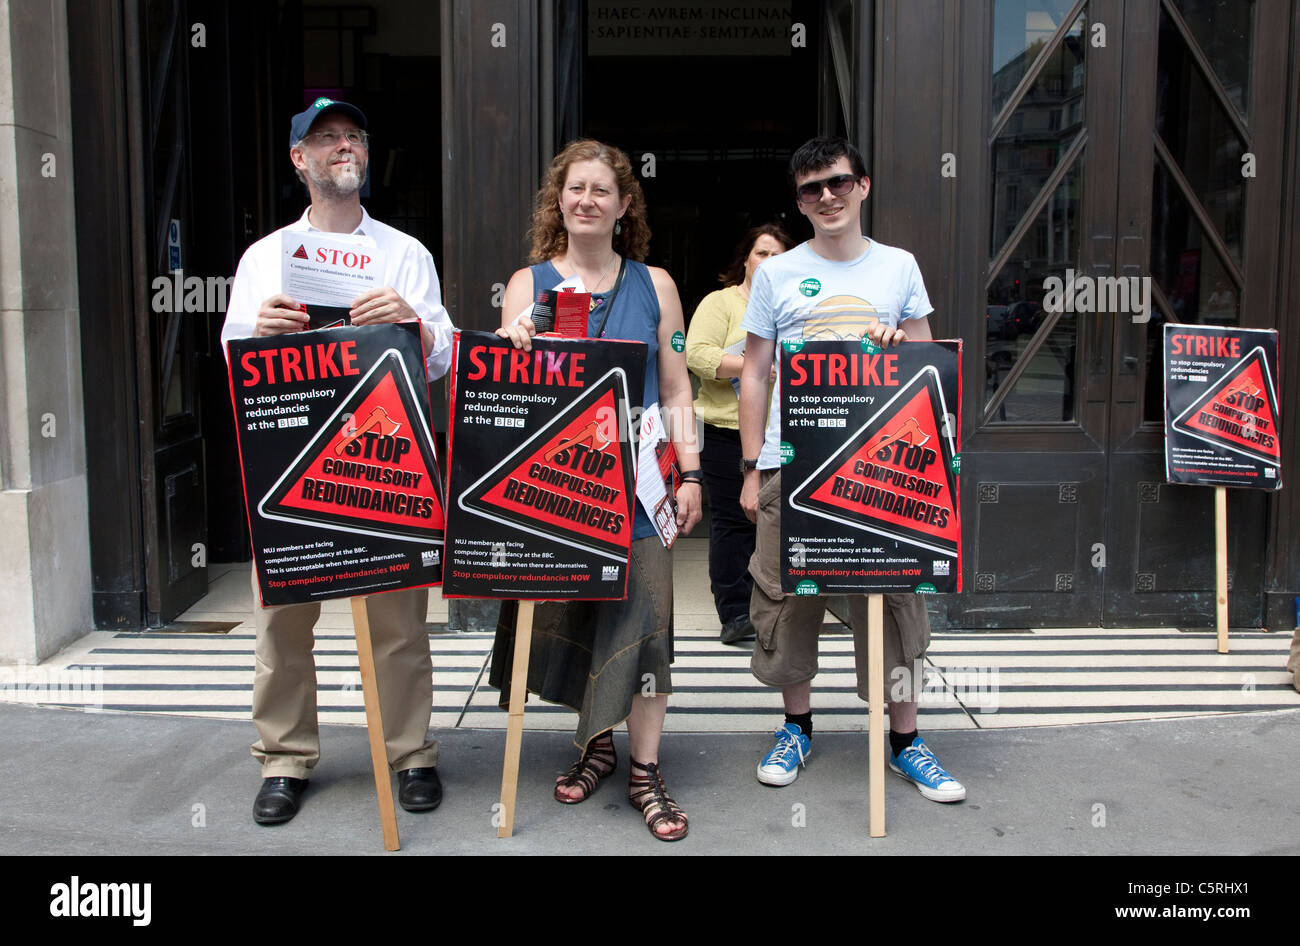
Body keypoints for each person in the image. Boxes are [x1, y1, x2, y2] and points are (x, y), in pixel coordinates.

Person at [220, 97, 455, 825]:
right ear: (300, 159)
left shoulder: (405, 253)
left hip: (388, 461)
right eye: (327, 139)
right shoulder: (263, 257)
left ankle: (409, 751)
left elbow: (445, 356)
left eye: (354, 135)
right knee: (284, 623)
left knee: (398, 622)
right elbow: (234, 360)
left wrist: (410, 322)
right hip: (290, 464)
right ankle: (285, 758)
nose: (344, 146)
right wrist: (260, 332)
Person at [737, 136, 967, 803]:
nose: (827, 197)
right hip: (793, 464)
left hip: (883, 468)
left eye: (838, 182)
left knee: (894, 602)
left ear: (863, 185)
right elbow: (754, 371)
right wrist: (753, 467)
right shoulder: (779, 274)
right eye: (811, 189)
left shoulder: (899, 268)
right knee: (785, 598)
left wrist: (900, 346)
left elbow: (928, 367)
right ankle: (797, 726)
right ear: (800, 201)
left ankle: (905, 741)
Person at [494, 139, 702, 841]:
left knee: (645, 622)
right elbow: (504, 388)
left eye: (601, 190)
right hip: (560, 486)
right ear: (560, 201)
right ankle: (595, 743)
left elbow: (676, 386)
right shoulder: (528, 285)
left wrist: (694, 471)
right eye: (574, 188)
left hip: (640, 485)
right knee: (577, 618)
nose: (586, 199)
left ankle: (644, 769)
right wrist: (513, 340)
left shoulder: (659, 286)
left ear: (622, 205)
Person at [685, 224, 794, 644]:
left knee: (779, 522)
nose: (769, 262)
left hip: (781, 433)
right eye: (762, 253)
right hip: (726, 430)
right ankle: (735, 614)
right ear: (745, 260)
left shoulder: (790, 305)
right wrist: (755, 368)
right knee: (733, 522)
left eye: (778, 256)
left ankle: (780, 612)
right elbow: (696, 353)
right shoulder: (722, 302)